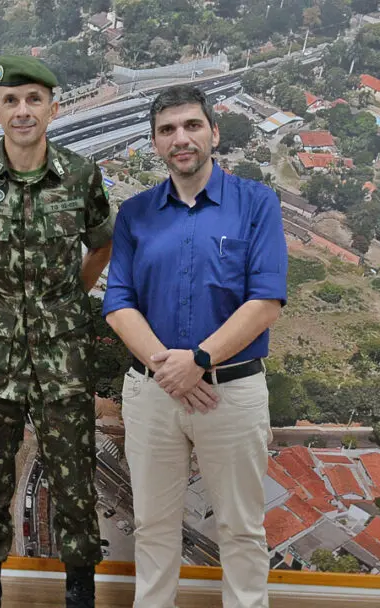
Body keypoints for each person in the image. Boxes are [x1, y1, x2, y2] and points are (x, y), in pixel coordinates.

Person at [103, 84, 287, 608]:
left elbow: (266, 301)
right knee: (152, 526)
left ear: (214, 133)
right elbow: (118, 303)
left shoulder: (256, 203)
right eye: (167, 130)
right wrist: (171, 371)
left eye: (191, 126)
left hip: (231, 392)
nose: (180, 138)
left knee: (242, 529)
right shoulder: (136, 213)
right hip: (153, 393)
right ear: (155, 144)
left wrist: (199, 361)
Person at [0, 55, 113, 608]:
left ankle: (79, 593)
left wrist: (64, 299)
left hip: (64, 358)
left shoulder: (81, 176)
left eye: (34, 100)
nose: (22, 111)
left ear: (52, 109)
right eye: (11, 101)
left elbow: (101, 245)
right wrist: (0, 298)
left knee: (75, 485)